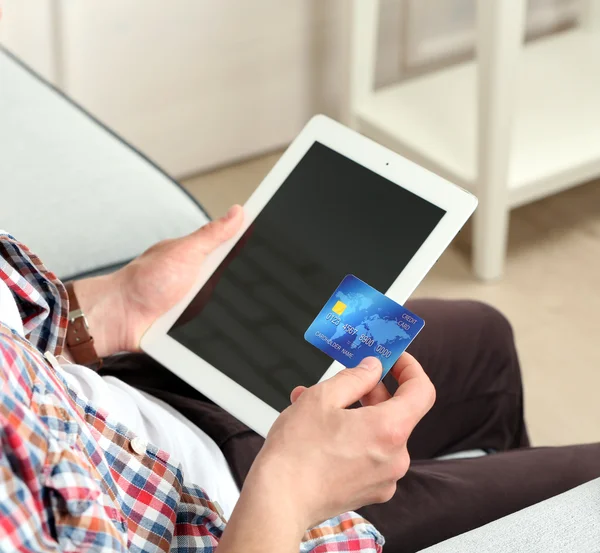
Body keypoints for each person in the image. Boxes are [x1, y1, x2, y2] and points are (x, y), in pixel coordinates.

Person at [0, 207, 598, 553]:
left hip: (136, 391)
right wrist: (289, 491)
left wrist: (103, 310)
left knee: (482, 338)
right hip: (237, 523)